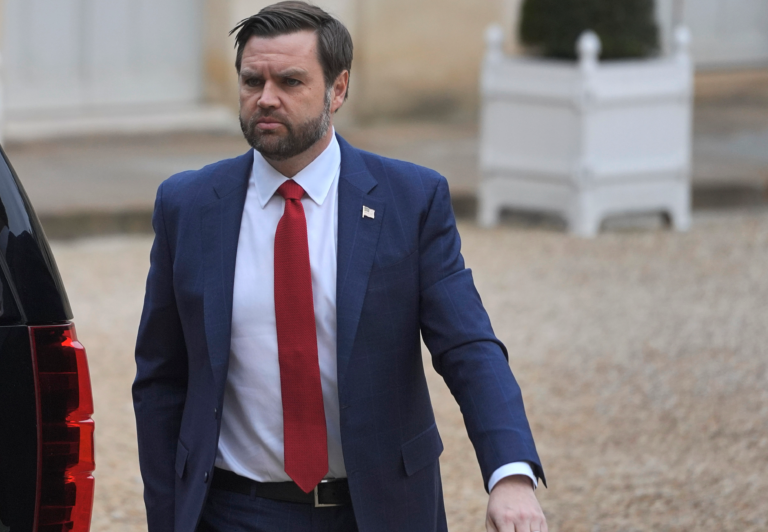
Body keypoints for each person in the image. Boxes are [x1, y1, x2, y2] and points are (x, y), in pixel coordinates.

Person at [133, 3, 547, 531]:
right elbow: (160, 379)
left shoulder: (409, 200)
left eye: (290, 81)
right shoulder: (188, 206)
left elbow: (467, 346)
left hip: (380, 510)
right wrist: (167, 516)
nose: (266, 98)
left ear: (338, 89)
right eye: (253, 80)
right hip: (232, 511)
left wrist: (510, 474)